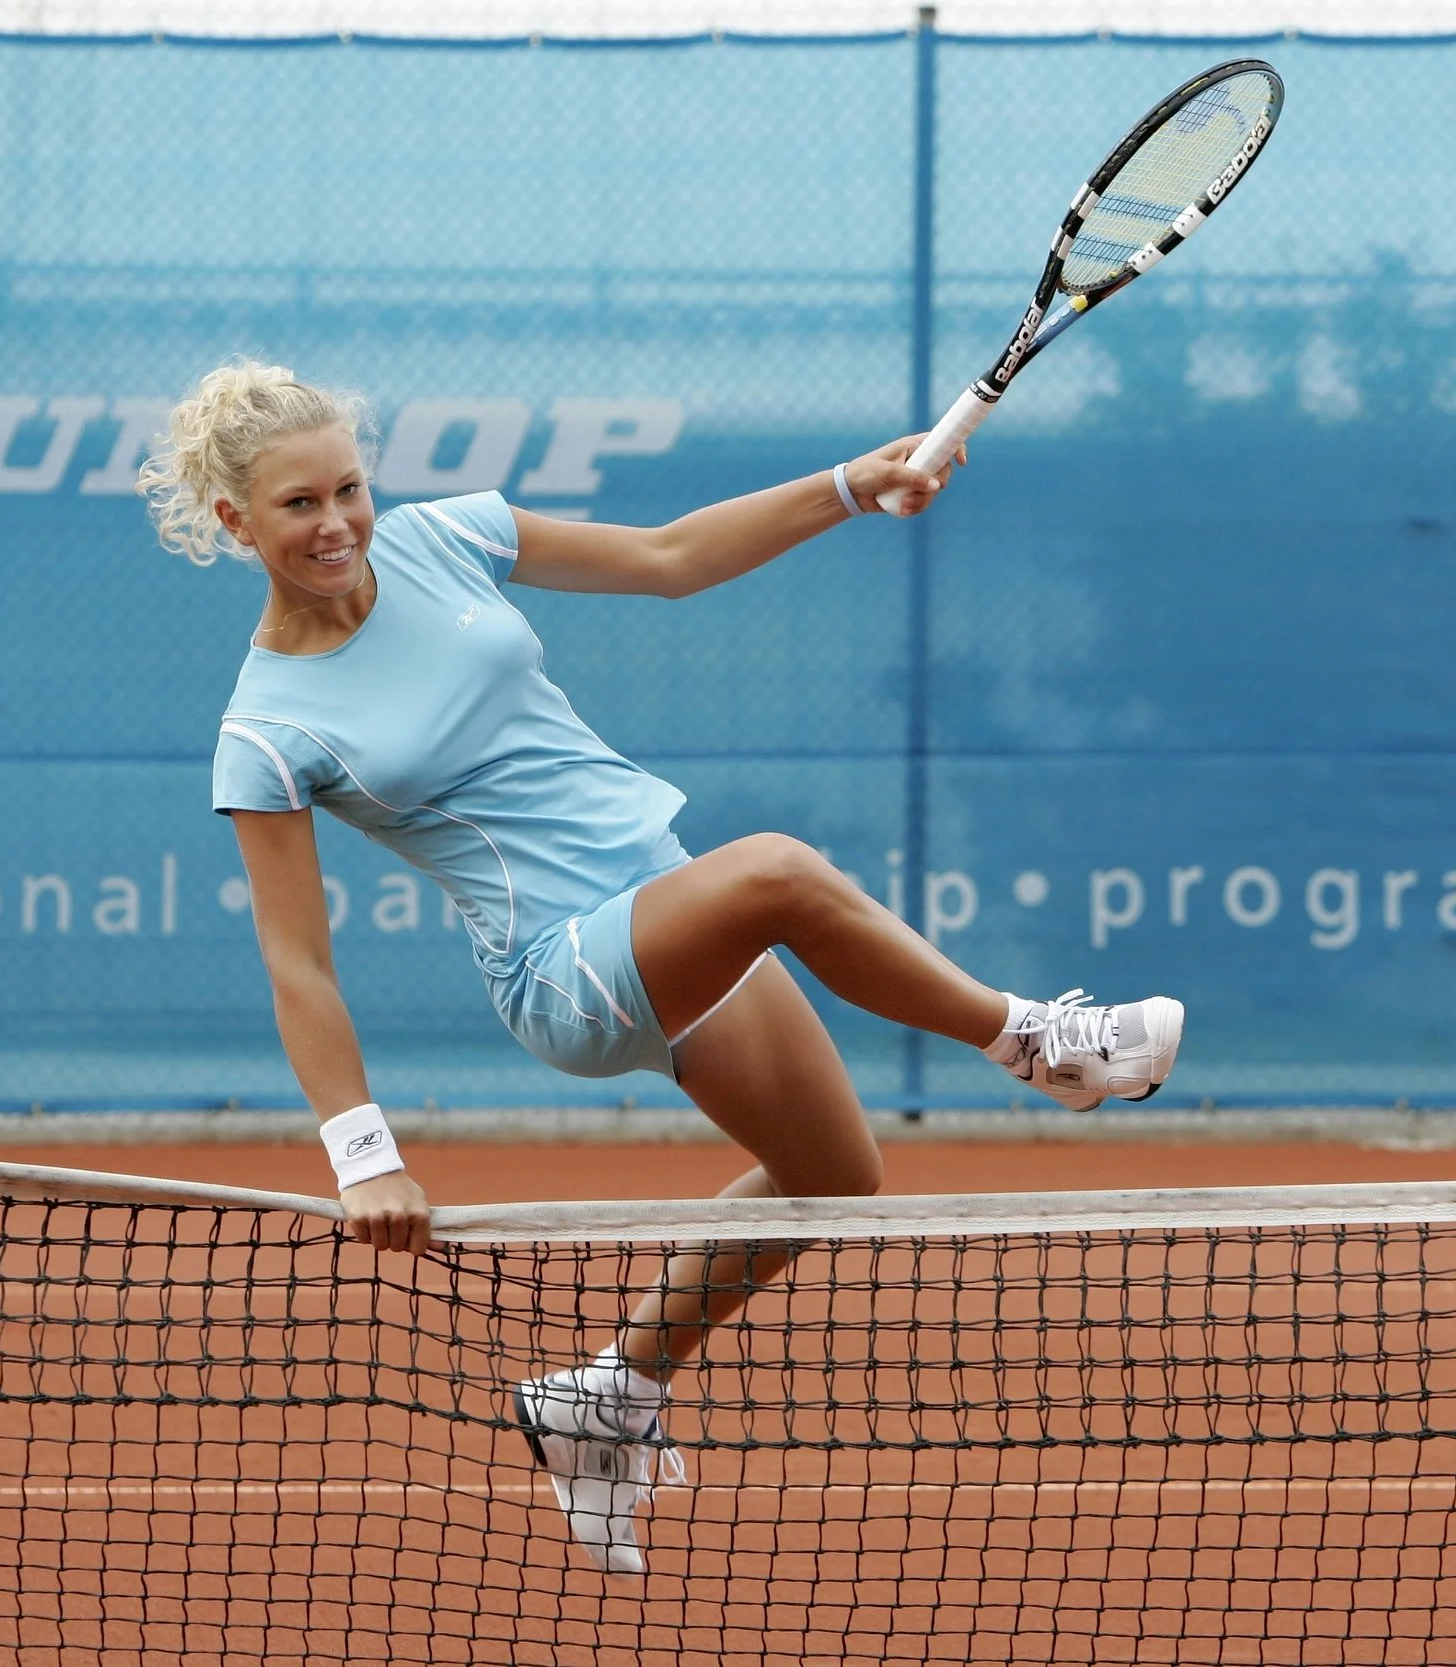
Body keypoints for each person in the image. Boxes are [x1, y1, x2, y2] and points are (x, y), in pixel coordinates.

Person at [140, 361, 1183, 1576]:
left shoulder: (444, 538)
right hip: (561, 968)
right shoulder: (266, 731)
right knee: (779, 871)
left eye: (348, 488)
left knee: (833, 1176)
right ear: (236, 521)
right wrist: (364, 1153)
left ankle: (606, 1396)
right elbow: (298, 964)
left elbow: (671, 555)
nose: (337, 523)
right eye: (298, 504)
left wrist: (852, 484)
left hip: (660, 902)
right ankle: (1038, 1043)